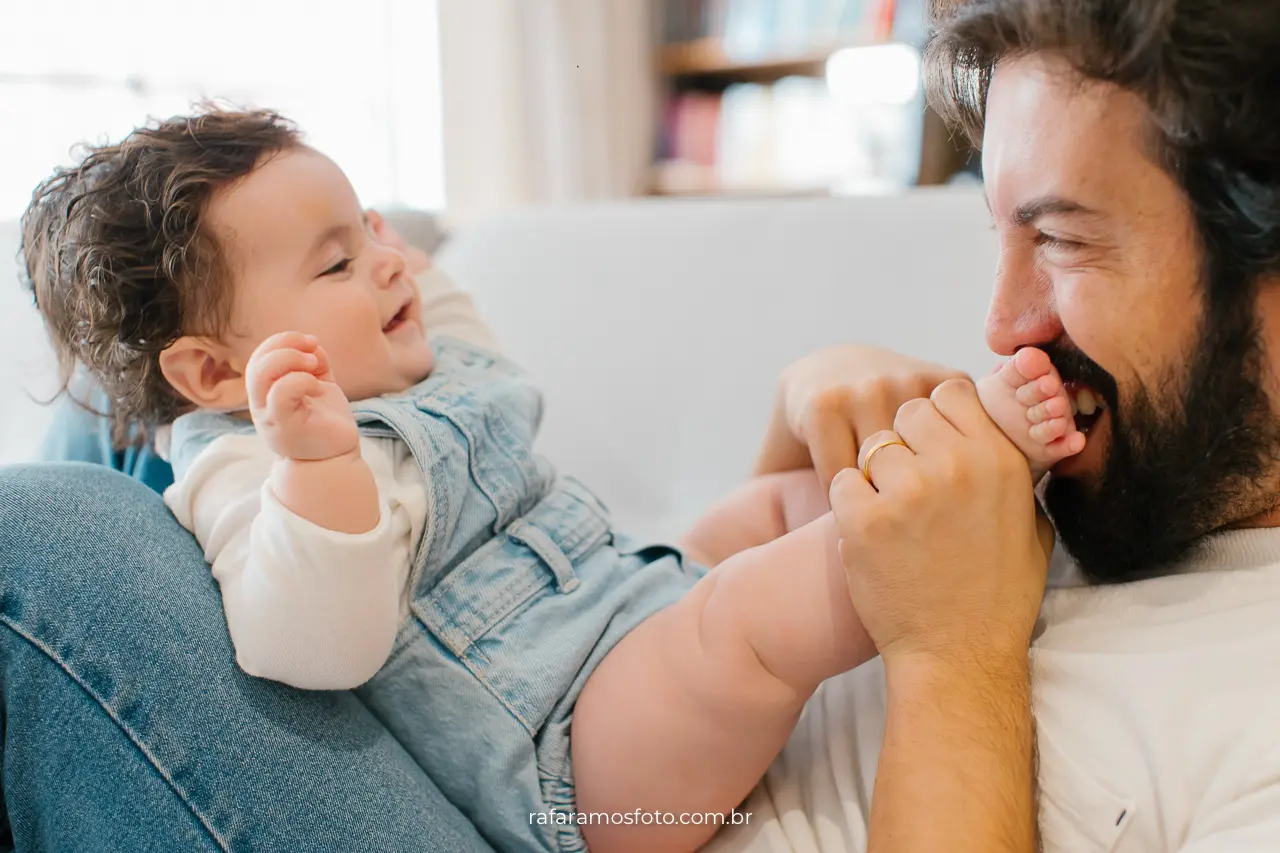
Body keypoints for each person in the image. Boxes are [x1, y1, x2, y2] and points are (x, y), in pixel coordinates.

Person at [19, 107, 1073, 853]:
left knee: (772, 508)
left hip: (627, 599)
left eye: (370, 225)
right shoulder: (248, 466)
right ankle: (934, 505)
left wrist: (362, 249)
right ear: (215, 376)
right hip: (577, 765)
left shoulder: (420, 350)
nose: (387, 260)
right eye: (335, 263)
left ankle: (929, 494)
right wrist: (318, 467)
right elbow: (313, 645)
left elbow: (426, 287)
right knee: (748, 618)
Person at [704, 0, 1280, 851]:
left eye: (1062, 240)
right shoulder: (1101, 468)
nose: (1001, 327)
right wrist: (807, 430)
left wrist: (954, 658)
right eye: (1005, 234)